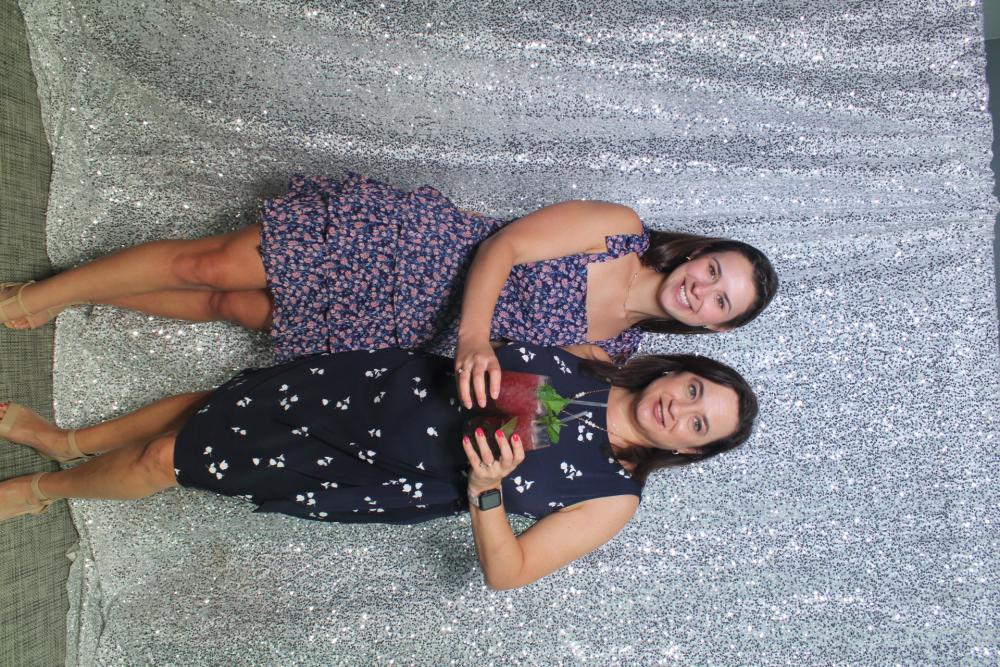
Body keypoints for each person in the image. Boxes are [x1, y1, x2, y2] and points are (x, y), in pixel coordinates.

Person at [0, 342, 757, 590]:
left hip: (371, 464)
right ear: (678, 370)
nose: (680, 409)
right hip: (367, 386)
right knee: (212, 404)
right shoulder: (589, 359)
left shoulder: (614, 496)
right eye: (695, 390)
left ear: (689, 450)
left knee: (172, 458)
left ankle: (42, 490)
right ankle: (67, 441)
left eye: (699, 425)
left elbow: (510, 571)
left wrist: (487, 491)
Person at [0, 172, 777, 409]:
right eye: (714, 270)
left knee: (228, 307)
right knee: (210, 266)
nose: (702, 289)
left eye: (721, 302)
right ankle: (37, 300)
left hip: (403, 327)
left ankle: (75, 295)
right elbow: (504, 247)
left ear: (713, 329)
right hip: (405, 246)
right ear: (699, 252)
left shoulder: (615, 350)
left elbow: (522, 384)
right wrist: (475, 336)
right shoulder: (620, 230)